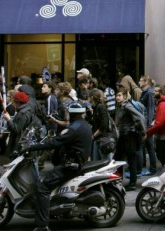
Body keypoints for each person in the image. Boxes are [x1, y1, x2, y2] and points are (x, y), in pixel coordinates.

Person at [22, 102, 92, 231]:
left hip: (70, 166)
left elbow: (54, 143)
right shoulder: (84, 125)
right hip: (75, 162)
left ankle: (42, 225)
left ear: (71, 113)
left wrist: (32, 147)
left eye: (67, 112)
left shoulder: (74, 129)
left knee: (42, 187)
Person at [115, 87, 146, 191]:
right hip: (125, 136)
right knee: (119, 159)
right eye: (117, 95)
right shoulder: (122, 106)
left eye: (119, 95)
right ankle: (118, 180)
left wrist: (143, 132)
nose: (117, 97)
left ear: (124, 96)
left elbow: (140, 117)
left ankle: (131, 183)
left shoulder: (127, 106)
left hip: (129, 136)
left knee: (130, 160)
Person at [139, 75, 157, 176]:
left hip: (147, 123)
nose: (139, 82)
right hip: (144, 122)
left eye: (141, 80)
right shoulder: (146, 92)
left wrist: (149, 125)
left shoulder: (149, 93)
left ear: (146, 82)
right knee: (147, 146)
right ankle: (146, 166)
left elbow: (151, 109)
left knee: (150, 146)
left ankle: (153, 168)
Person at [90, 89, 113, 161]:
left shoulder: (100, 107)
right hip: (98, 139)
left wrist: (94, 136)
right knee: (96, 161)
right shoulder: (95, 108)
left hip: (103, 139)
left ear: (92, 97)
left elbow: (104, 125)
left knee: (105, 162)